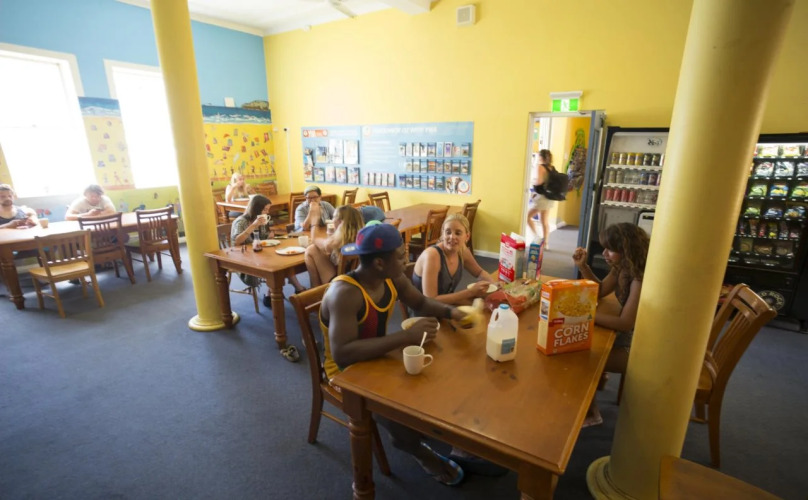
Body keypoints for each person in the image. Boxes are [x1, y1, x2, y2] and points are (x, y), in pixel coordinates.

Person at [320, 223, 472, 486]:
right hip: (347, 373)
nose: (406, 261)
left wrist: (452, 312)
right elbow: (343, 354)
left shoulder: (391, 277)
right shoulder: (344, 293)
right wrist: (405, 337)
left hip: (379, 355)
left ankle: (414, 427)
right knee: (398, 413)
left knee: (438, 374)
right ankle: (411, 445)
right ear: (380, 263)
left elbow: (420, 302)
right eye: (401, 256)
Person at [572, 222, 649, 426]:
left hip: (637, 348)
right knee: (580, 339)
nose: (604, 253)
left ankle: (592, 413)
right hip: (628, 336)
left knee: (580, 356)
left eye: (610, 249)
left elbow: (625, 323)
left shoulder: (639, 278)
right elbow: (600, 290)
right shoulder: (622, 267)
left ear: (627, 250)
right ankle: (598, 380)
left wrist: (587, 315)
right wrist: (583, 266)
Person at [231, 195, 305, 308]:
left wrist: (269, 236)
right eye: (265, 209)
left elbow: (262, 238)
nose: (267, 212)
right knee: (277, 263)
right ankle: (289, 290)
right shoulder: (241, 222)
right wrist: (254, 225)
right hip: (243, 256)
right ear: (256, 209)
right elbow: (237, 241)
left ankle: (273, 293)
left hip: (259, 253)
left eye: (267, 209)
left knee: (281, 260)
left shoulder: (262, 220)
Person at [412, 213, 496, 306]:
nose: (452, 237)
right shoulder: (432, 256)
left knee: (486, 306)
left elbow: (479, 272)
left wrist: (495, 285)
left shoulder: (462, 251)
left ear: (467, 236)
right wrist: (470, 292)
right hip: (425, 309)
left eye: (458, 233)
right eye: (448, 232)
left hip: (445, 304)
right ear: (443, 233)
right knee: (479, 307)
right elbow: (430, 300)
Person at [304, 205, 364, 287]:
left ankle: (315, 289)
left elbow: (315, 239)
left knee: (311, 250)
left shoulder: (337, 242)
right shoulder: (362, 235)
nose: (332, 220)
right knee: (315, 249)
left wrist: (314, 221)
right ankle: (316, 289)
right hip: (359, 279)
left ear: (340, 222)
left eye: (334, 217)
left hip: (342, 282)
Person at [526, 149, 557, 249]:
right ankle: (546, 243)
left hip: (541, 197)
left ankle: (537, 238)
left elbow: (539, 182)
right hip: (549, 197)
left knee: (527, 217)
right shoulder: (552, 168)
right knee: (544, 221)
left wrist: (533, 183)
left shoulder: (540, 167)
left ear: (541, 157)